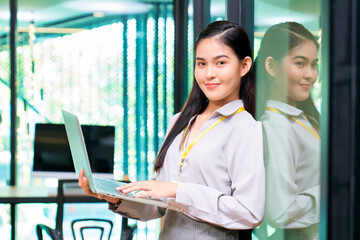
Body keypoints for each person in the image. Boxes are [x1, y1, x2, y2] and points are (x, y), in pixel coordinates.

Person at [79, 20, 265, 239]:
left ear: (244, 66)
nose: (208, 74)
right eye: (201, 64)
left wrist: (177, 190)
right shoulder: (179, 121)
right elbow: (159, 205)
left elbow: (249, 212)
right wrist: (116, 197)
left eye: (220, 63)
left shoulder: (245, 128)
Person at [254, 22, 320, 240]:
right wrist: (335, 193)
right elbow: (280, 211)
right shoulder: (275, 127)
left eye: (314, 65)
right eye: (300, 63)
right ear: (271, 67)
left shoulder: (305, 118)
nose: (310, 74)